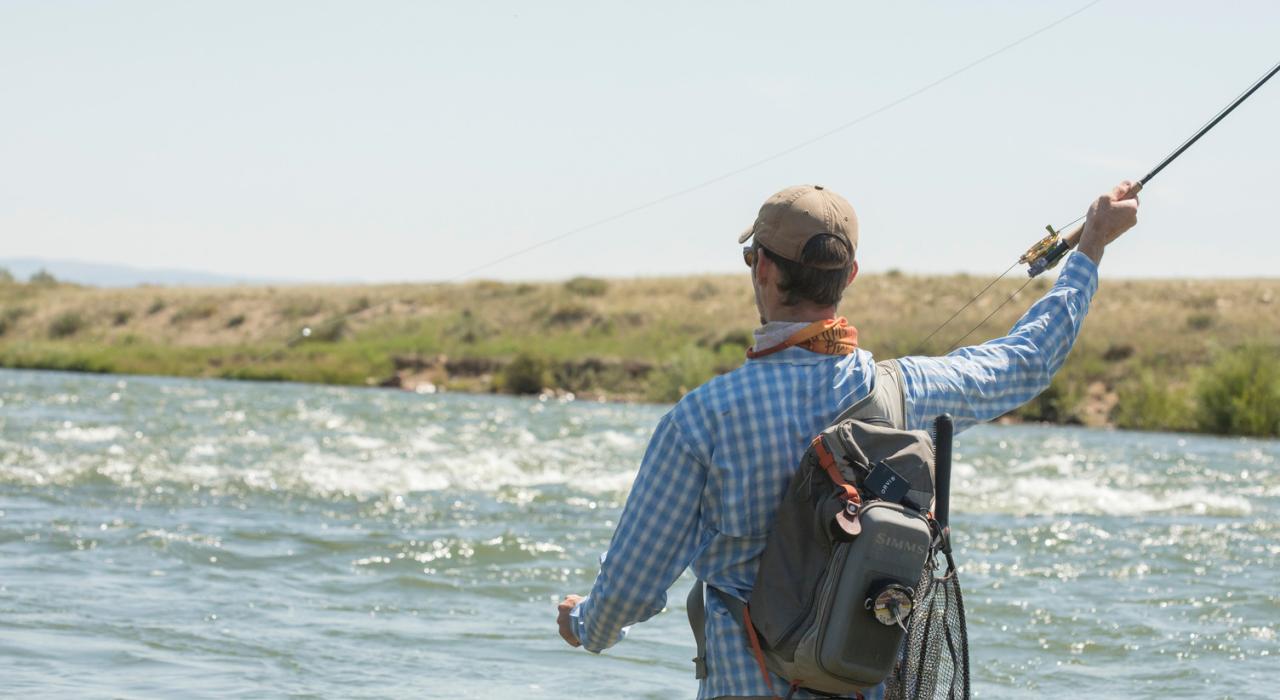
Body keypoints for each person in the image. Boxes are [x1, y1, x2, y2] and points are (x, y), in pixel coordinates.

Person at [556, 182, 1140, 699]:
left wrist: (585, 624)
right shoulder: (906, 394)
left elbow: (628, 593)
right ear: (850, 276)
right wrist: (1090, 247)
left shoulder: (703, 420)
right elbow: (1026, 361)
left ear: (762, 269)